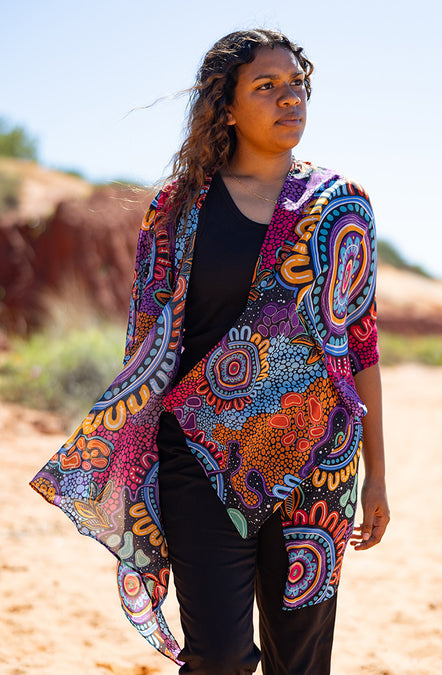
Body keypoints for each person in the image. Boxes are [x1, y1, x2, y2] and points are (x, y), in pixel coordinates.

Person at [31, 29, 390, 674]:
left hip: (316, 461)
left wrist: (378, 478)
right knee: (218, 656)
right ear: (225, 108)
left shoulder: (342, 207)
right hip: (201, 458)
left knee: (301, 659)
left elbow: (359, 345)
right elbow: (147, 347)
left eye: (297, 84)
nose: (290, 98)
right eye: (267, 86)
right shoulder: (179, 209)